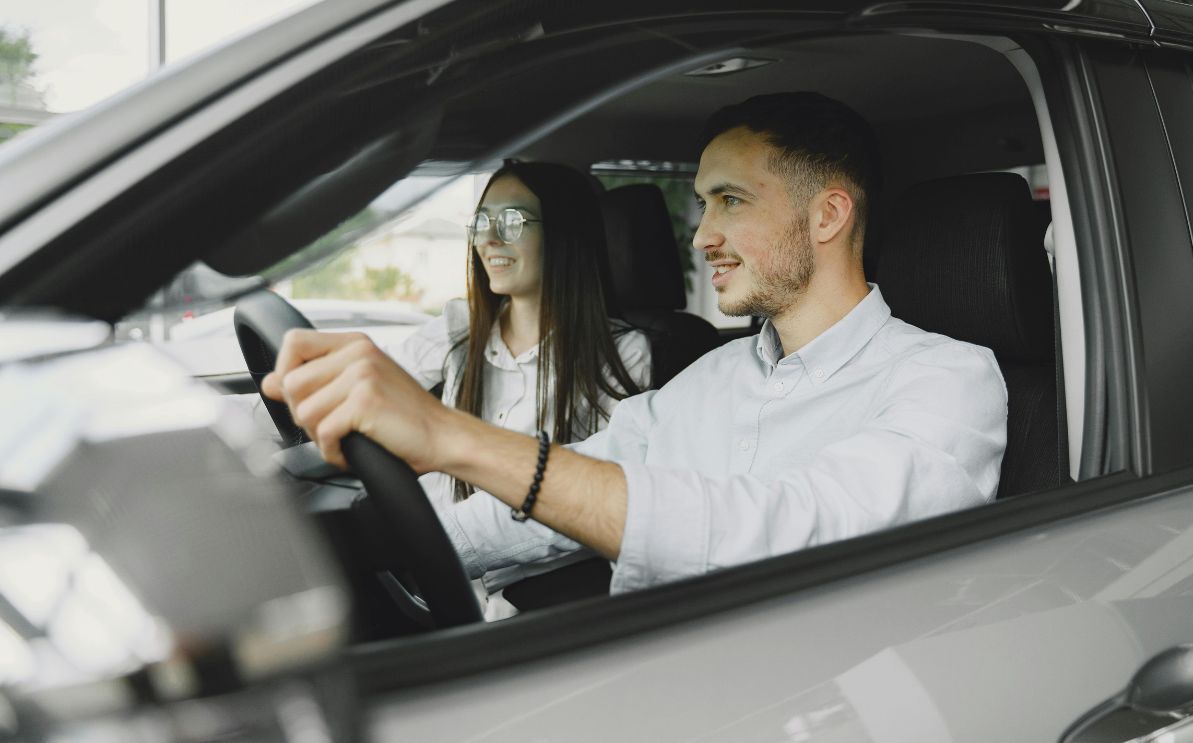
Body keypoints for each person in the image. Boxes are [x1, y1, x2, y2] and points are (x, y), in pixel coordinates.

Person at [263, 92, 1008, 597]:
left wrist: (451, 438)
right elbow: (560, 495)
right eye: (700, 204)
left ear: (827, 216)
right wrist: (350, 550)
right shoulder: (708, 379)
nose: (702, 234)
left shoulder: (947, 381)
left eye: (730, 200)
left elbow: (789, 529)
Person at [384, 161, 651, 616]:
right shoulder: (460, 328)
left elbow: (595, 498)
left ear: (563, 235)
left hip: (532, 602)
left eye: (512, 221)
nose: (489, 240)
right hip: (431, 581)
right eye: (483, 222)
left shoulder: (623, 353)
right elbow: (373, 389)